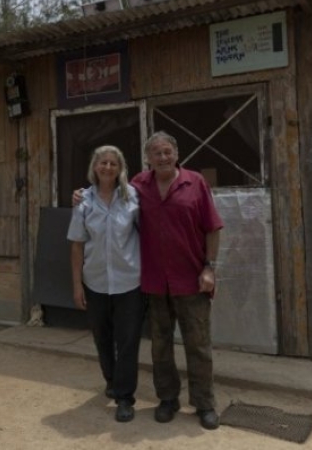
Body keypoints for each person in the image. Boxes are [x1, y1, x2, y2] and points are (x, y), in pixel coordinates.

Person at [73, 131, 224, 430]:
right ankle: (168, 399)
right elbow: (104, 188)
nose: (163, 157)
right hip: (154, 282)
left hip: (191, 279)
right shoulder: (139, 186)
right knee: (160, 346)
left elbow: (213, 227)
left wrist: (209, 267)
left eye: (167, 152)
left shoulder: (195, 183)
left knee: (198, 344)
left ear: (177, 153)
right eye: (156, 153)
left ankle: (204, 404)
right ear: (147, 159)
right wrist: (79, 194)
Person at [67, 145, 145, 423]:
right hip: (96, 282)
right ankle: (111, 380)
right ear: (95, 167)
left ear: (121, 167)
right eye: (103, 163)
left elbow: (145, 234)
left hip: (129, 281)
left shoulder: (133, 196)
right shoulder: (83, 201)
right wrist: (77, 285)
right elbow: (77, 245)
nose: (108, 167)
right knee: (102, 337)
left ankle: (125, 398)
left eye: (113, 163)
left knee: (127, 341)